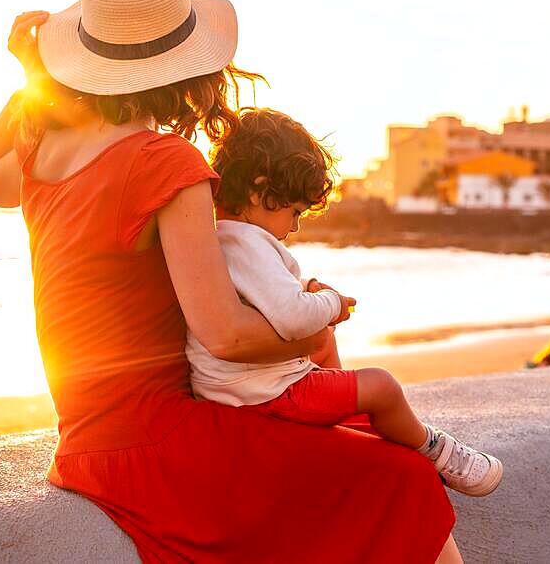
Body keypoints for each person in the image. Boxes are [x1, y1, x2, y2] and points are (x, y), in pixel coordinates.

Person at [0, 0, 461, 563]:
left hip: (81, 446)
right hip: (156, 448)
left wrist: (33, 78)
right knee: (405, 479)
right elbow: (224, 336)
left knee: (355, 436)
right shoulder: (164, 159)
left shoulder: (41, 151)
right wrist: (317, 317)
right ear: (183, 64)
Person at [188, 108, 503, 496]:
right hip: (265, 396)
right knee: (382, 386)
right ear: (259, 190)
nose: (295, 227)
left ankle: (337, 410)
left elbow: (257, 291)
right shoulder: (249, 242)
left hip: (235, 389)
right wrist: (332, 303)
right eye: (294, 213)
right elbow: (290, 316)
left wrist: (305, 285)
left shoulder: (223, 238)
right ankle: (434, 448)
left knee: (326, 343)